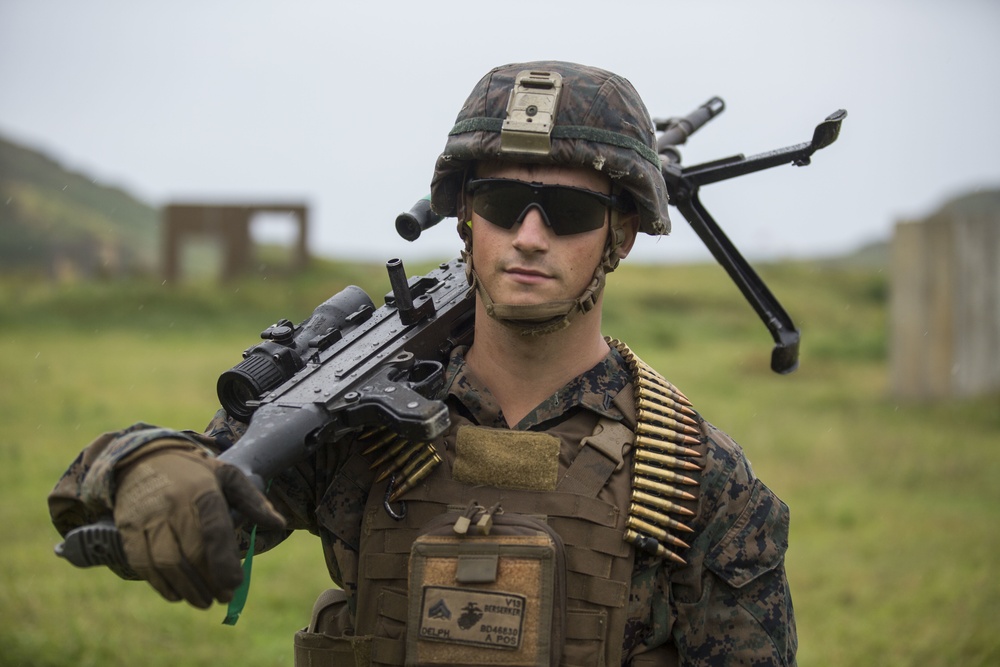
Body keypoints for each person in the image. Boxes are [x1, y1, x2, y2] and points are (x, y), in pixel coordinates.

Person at [49, 61, 796, 666]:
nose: (529, 236)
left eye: (567, 212)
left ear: (622, 234)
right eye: (502, 202)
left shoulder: (698, 472)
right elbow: (181, 479)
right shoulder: (358, 421)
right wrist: (140, 465)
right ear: (465, 219)